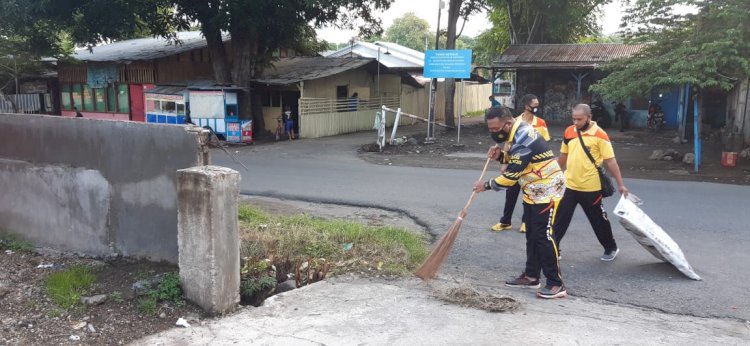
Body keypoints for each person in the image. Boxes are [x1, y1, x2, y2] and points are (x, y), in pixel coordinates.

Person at [473, 106, 567, 299]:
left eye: (495, 129)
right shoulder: (515, 132)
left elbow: (510, 177)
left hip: (547, 190)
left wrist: (486, 185)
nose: (492, 132)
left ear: (507, 124)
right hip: (532, 189)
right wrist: (500, 155)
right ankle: (531, 276)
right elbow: (514, 159)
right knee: (532, 233)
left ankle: (556, 284)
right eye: (489, 129)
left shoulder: (524, 138)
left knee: (544, 235)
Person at [554, 104, 629, 261]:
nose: (576, 122)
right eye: (573, 119)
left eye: (579, 119)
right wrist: (553, 174)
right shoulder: (569, 131)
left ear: (589, 117)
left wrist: (621, 184)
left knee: (598, 219)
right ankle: (554, 248)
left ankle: (611, 247)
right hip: (569, 184)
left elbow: (611, 161)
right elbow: (563, 156)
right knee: (560, 218)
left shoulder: (600, 135)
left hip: (591, 187)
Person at [491, 94, 550, 233]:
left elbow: (544, 143)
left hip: (531, 167)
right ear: (526, 106)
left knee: (527, 194)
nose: (536, 108)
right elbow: (507, 143)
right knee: (510, 193)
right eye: (534, 106)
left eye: (537, 106)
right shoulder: (514, 121)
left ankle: (525, 221)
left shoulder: (540, 123)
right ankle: (505, 221)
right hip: (516, 162)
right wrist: (504, 163)